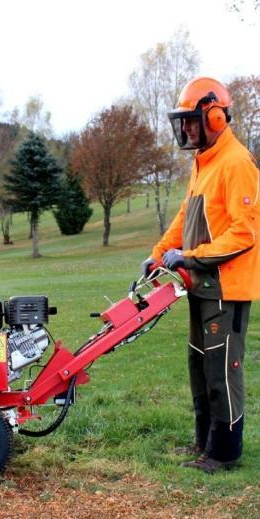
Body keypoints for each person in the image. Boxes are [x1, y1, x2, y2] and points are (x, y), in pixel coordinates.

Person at [141, 77, 260, 474]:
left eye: (192, 121)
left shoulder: (236, 162)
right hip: (200, 285)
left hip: (226, 288)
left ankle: (224, 454)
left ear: (214, 117)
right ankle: (204, 445)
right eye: (184, 122)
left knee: (222, 371)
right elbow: (185, 218)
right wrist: (160, 254)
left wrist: (189, 256)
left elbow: (244, 233)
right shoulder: (204, 163)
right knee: (200, 368)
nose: (187, 129)